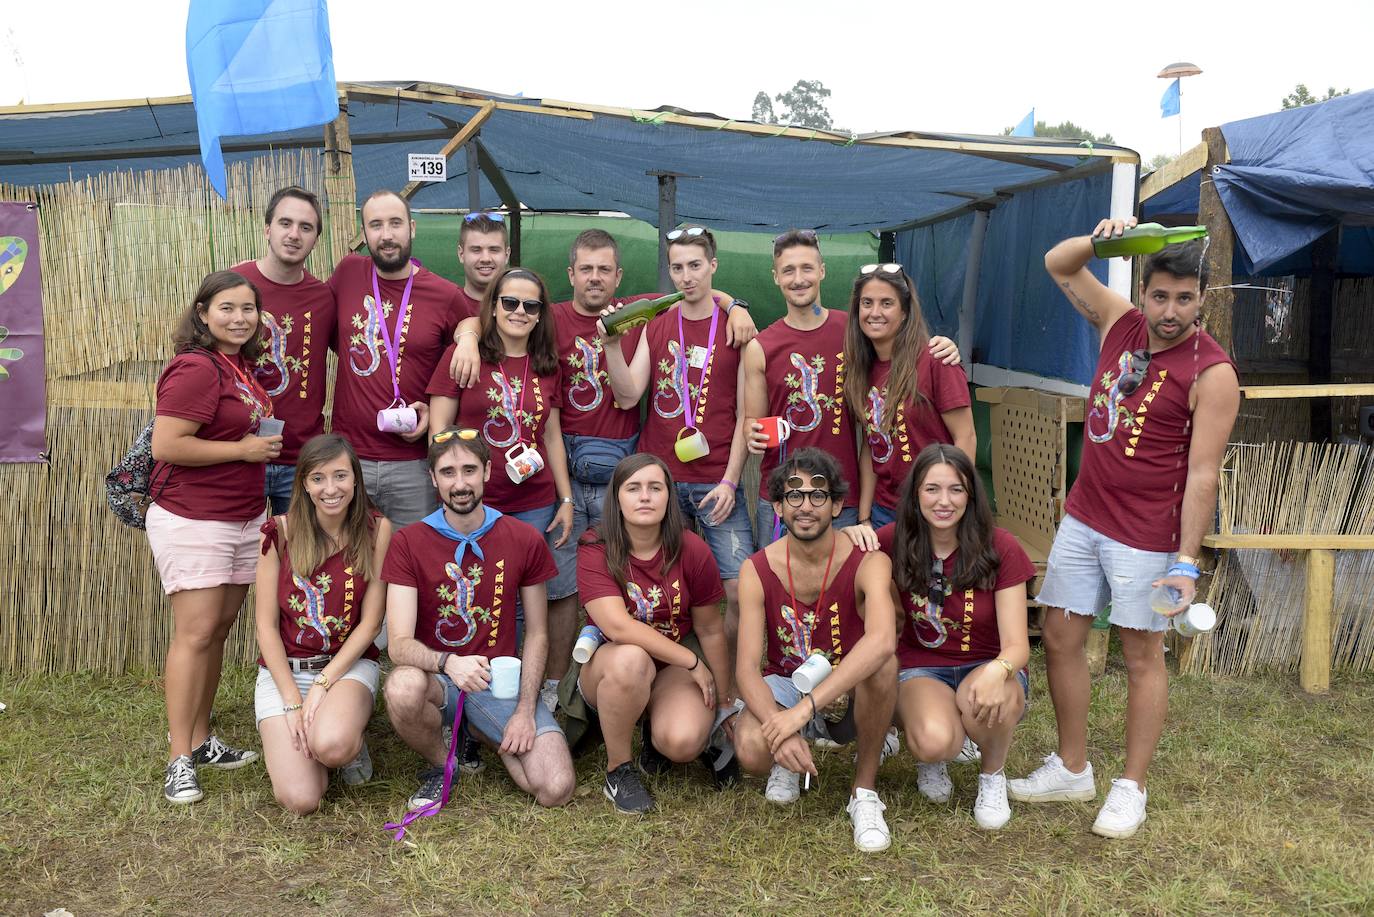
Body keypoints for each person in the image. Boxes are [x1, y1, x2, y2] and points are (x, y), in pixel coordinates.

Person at [444, 229, 755, 693]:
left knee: (638, 574)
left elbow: (697, 287)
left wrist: (738, 304)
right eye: (585, 269)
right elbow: (490, 317)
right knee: (560, 578)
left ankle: (653, 678)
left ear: (618, 276)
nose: (595, 278)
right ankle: (553, 681)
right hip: (556, 462)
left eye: (604, 270)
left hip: (620, 465)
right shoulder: (542, 315)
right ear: (570, 274)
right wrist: (467, 336)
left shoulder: (639, 312)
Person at [1008, 217, 1239, 839]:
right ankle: (1073, 766)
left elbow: (1203, 476)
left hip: (1147, 535)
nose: (1170, 311)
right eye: (1160, 295)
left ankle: (1130, 788)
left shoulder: (1213, 373)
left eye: (1185, 298)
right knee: (1058, 634)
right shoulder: (1120, 323)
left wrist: (1185, 563)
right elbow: (1058, 261)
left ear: (1202, 298)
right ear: (1143, 291)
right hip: (1085, 516)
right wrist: (1106, 238)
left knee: (1141, 655)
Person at [381, 428, 575, 809]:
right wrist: (448, 663)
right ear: (433, 478)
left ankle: (482, 729)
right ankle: (444, 762)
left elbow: (537, 633)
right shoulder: (408, 542)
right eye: (448, 472)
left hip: (496, 681)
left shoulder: (522, 538)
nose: (460, 483)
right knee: (402, 688)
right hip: (436, 677)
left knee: (555, 788)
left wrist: (523, 711)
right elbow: (399, 644)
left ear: (487, 471)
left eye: (469, 470)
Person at [148, 270, 281, 804]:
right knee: (196, 633)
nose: (239, 318)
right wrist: (243, 451)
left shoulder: (239, 366)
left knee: (220, 628)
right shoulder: (195, 368)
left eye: (248, 309)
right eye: (227, 308)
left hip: (242, 516)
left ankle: (202, 739)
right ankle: (180, 757)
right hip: (194, 516)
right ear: (202, 312)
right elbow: (167, 444)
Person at [742, 231, 960, 546]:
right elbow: (753, 421)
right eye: (788, 270)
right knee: (776, 586)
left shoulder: (855, 331)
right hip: (783, 494)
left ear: (822, 271)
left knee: (845, 589)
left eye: (807, 268)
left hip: (842, 494)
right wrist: (753, 433)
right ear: (776, 277)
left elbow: (897, 347)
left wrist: (944, 345)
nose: (798, 278)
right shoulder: (760, 347)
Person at [732, 448, 899, 853]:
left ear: (838, 504)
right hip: (789, 682)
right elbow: (746, 671)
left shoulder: (869, 561)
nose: (806, 505)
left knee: (883, 664)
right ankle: (788, 756)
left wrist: (801, 713)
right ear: (777, 506)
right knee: (753, 749)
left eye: (818, 495)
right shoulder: (756, 568)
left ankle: (864, 793)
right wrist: (778, 727)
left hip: (850, 683)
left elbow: (881, 640)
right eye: (794, 495)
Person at [600, 225, 755, 652]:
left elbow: (746, 414)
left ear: (713, 267)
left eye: (695, 266)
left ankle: (727, 682)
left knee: (740, 591)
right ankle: (677, 674)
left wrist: (730, 480)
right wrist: (613, 347)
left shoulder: (734, 327)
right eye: (677, 268)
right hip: (661, 481)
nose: (686, 277)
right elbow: (630, 394)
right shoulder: (658, 323)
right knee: (666, 595)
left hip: (716, 480)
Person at [427, 266, 575, 712]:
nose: (519, 311)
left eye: (530, 305)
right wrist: (450, 493)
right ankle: (479, 690)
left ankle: (535, 686)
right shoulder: (465, 356)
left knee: (540, 594)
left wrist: (565, 499)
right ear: (493, 306)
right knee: (486, 593)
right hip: (479, 504)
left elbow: (551, 436)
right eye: (509, 302)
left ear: (540, 314)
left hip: (535, 501)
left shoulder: (547, 365)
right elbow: (439, 433)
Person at [878, 444, 1033, 830]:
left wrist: (998, 671)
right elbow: (841, 555)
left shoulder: (1001, 546)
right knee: (934, 741)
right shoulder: (891, 540)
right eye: (932, 489)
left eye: (956, 490)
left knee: (986, 704)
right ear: (916, 494)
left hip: (987, 663)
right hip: (922, 668)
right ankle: (932, 755)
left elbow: (1018, 645)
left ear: (971, 495)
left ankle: (992, 775)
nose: (943, 501)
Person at [572, 453, 733, 813]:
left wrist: (724, 704)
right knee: (632, 658)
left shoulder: (692, 548)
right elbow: (616, 625)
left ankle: (656, 737)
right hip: (611, 664)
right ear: (617, 498)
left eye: (655, 488)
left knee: (682, 742)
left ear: (668, 497)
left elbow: (709, 628)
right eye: (633, 488)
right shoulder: (596, 545)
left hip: (671, 665)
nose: (644, 496)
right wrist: (691, 661)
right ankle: (619, 771)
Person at [254, 434, 392, 813]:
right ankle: (307, 739)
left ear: (356, 480)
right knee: (302, 800)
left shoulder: (377, 530)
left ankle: (344, 741)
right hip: (285, 673)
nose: (330, 489)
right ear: (304, 484)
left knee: (331, 745)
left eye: (340, 476)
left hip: (345, 668)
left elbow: (371, 622)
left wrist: (322, 684)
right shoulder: (279, 532)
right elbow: (266, 628)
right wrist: (291, 700)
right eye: (318, 478)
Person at [328, 190, 470, 527]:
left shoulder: (446, 295)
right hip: (349, 460)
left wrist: (469, 336)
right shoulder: (348, 273)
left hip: (415, 465)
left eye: (395, 223)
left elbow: (466, 351)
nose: (387, 235)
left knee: (414, 564)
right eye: (375, 225)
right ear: (364, 235)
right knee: (351, 567)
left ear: (413, 228)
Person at [842, 264, 974, 535]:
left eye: (886, 303)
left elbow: (966, 437)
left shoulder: (936, 360)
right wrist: (865, 517)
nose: (875, 312)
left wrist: (954, 503)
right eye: (867, 303)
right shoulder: (860, 370)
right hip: (884, 512)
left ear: (904, 312)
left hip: (934, 509)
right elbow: (872, 446)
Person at [231, 186, 336, 515]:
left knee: (294, 561)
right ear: (267, 229)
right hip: (237, 454)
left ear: (316, 238)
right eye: (285, 223)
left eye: (306, 227)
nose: (294, 234)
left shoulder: (323, 298)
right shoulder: (234, 283)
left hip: (299, 460)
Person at [455, 212, 511, 315]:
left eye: (494, 250)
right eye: (476, 250)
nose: (486, 259)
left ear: (507, 255)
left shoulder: (525, 310)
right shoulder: (446, 308)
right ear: (461, 254)